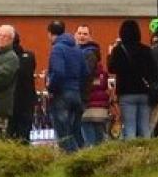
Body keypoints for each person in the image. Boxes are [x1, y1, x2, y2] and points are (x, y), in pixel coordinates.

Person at [43, 20, 87, 153]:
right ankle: (84, 159)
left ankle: (70, 161)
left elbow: (58, 72)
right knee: (76, 132)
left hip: (62, 95)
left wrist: (50, 86)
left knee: (64, 135)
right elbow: (85, 72)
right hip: (76, 95)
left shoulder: (57, 49)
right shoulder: (77, 48)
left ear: (50, 34)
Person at [108, 19, 153, 140]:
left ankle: (132, 155)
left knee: (129, 127)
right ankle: (149, 152)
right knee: (145, 127)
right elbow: (153, 71)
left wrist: (110, 54)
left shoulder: (118, 50)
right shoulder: (146, 50)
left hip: (126, 93)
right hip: (144, 92)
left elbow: (111, 68)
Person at [77, 25, 111, 146]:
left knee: (89, 141)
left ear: (90, 36)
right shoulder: (97, 60)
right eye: (80, 33)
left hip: (87, 105)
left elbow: (85, 78)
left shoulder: (86, 55)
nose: (82, 36)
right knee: (99, 140)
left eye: (85, 34)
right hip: (99, 107)